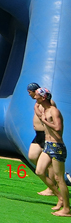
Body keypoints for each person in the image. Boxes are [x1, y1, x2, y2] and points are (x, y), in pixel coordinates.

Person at [33, 87, 71, 217]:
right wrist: (37, 109)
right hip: (48, 145)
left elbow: (58, 128)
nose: (35, 97)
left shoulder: (54, 111)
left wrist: (44, 121)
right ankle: (60, 197)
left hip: (57, 146)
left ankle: (67, 209)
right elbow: (39, 113)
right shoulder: (45, 110)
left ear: (43, 97)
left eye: (37, 95)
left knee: (59, 178)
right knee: (39, 171)